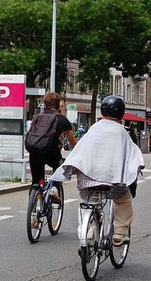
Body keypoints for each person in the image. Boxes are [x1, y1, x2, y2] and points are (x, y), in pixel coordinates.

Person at [51, 95, 145, 246]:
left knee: (87, 202)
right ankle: (120, 234)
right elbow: (133, 158)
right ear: (121, 113)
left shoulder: (93, 130)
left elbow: (79, 152)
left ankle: (88, 232)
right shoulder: (122, 133)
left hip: (88, 181)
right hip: (114, 182)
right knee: (123, 200)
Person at [28, 92, 77, 201]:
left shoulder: (36, 117)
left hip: (34, 152)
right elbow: (73, 142)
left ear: (44, 105)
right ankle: (54, 188)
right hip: (51, 153)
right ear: (58, 105)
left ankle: (35, 208)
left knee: (36, 181)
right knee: (60, 165)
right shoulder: (62, 119)